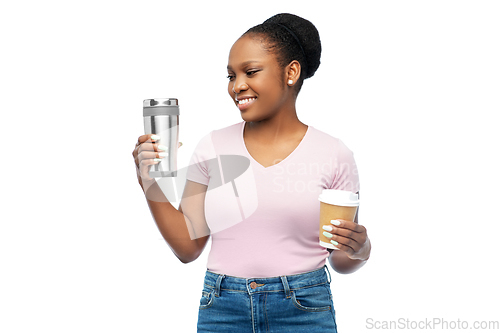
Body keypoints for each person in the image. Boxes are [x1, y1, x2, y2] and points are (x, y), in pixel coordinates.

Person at [132, 13, 371, 333]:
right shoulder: (212, 147)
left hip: (303, 308)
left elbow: (340, 259)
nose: (237, 86)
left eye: (251, 72)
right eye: (231, 75)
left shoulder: (334, 155)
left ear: (292, 72)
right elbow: (187, 248)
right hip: (222, 309)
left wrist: (360, 250)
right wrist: (151, 183)